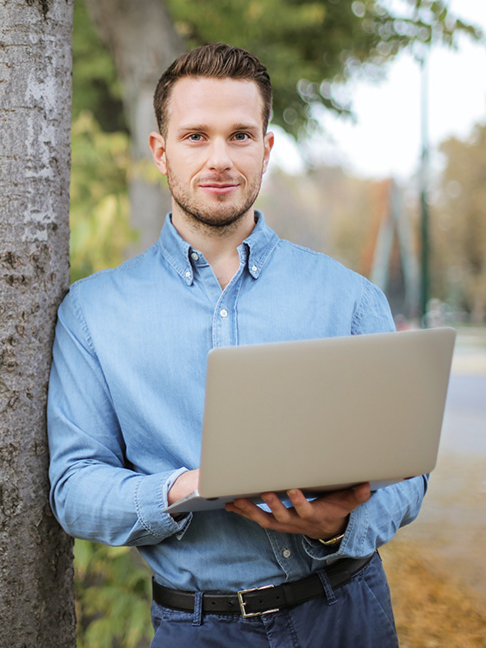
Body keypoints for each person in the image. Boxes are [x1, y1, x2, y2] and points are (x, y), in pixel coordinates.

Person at [47, 43, 425, 647]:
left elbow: (406, 473)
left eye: (240, 135)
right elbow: (75, 488)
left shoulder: (349, 297)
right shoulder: (94, 313)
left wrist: (339, 527)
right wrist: (185, 488)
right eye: (196, 136)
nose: (219, 158)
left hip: (346, 612)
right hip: (198, 629)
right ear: (160, 151)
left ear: (267, 149)